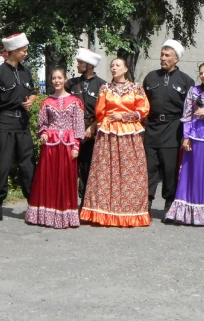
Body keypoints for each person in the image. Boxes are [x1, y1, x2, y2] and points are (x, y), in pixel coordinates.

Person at [80, 58, 151, 227]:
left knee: (129, 171)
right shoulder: (105, 88)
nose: (113, 68)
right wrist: (101, 126)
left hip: (129, 133)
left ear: (126, 69)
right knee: (106, 171)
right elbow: (100, 111)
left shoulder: (136, 88)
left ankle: (129, 212)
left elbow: (143, 109)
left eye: (117, 65)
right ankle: (104, 211)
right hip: (108, 133)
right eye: (112, 65)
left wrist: (124, 116)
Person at [164, 62, 204, 226]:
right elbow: (187, 114)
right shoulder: (194, 91)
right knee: (192, 173)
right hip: (196, 135)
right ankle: (189, 213)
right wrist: (186, 137)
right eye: (201, 73)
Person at [0, 33, 37, 223]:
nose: (26, 53)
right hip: (5, 124)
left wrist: (31, 101)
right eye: (23, 50)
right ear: (13, 51)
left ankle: (32, 205)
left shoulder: (26, 72)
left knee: (27, 165)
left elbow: (32, 92)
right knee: (3, 166)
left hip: (23, 124)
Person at [26, 67, 84, 228]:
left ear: (65, 80)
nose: (57, 81)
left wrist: (76, 146)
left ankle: (66, 216)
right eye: (54, 78)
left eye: (60, 78)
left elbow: (78, 126)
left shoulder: (75, 101)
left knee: (66, 178)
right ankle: (46, 215)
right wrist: (43, 133)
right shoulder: (47, 102)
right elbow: (42, 124)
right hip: (50, 145)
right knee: (48, 177)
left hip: (67, 144)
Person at [143, 40, 194, 213]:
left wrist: (186, 135)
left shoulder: (186, 81)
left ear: (176, 59)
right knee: (149, 167)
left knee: (170, 168)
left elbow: (190, 109)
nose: (163, 58)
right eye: (162, 55)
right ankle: (146, 202)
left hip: (173, 129)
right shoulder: (150, 77)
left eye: (167, 56)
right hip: (152, 126)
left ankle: (169, 203)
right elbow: (142, 103)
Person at [65, 48, 106, 209]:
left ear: (89, 65)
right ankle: (68, 201)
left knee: (87, 167)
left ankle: (85, 203)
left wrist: (94, 126)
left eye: (80, 62)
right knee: (70, 166)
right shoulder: (71, 84)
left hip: (92, 131)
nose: (77, 65)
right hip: (72, 130)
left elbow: (105, 110)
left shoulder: (102, 85)